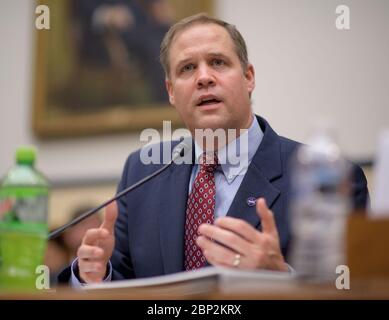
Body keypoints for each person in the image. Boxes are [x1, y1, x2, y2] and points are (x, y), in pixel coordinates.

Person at [58, 13, 369, 284]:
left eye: (218, 62)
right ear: (170, 91)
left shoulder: (328, 177)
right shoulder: (142, 171)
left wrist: (281, 279)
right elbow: (122, 280)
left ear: (249, 77)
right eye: (187, 68)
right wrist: (94, 276)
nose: (204, 78)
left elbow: (354, 288)